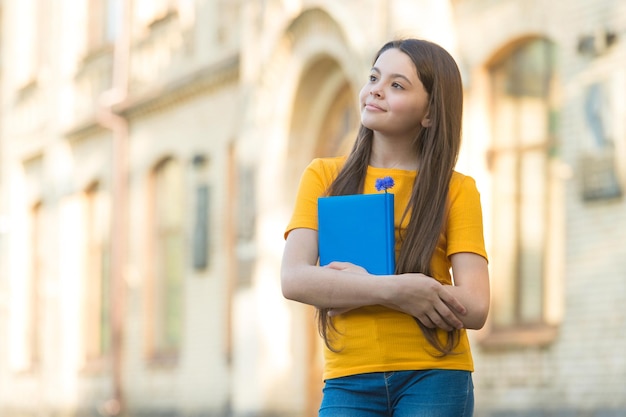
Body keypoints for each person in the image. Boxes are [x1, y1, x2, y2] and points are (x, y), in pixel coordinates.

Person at [281, 38, 490, 417]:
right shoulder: (323, 176)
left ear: (429, 113)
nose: (375, 89)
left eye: (397, 84)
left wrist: (350, 285)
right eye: (374, 77)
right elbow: (294, 279)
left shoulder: (457, 190)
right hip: (348, 379)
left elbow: (475, 307)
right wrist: (396, 290)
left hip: (436, 375)